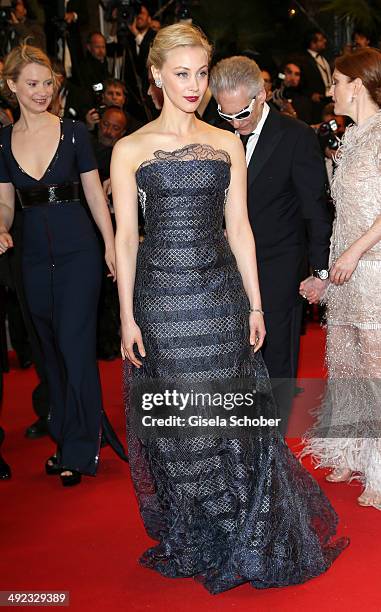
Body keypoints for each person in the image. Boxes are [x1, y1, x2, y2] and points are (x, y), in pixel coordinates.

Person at [111, 22, 347, 594]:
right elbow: (124, 238)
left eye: (200, 74)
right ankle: (198, 532)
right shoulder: (130, 148)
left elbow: (240, 229)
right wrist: (126, 315)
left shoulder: (224, 143)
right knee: (181, 423)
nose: (194, 86)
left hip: (220, 296)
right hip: (162, 298)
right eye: (182, 74)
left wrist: (257, 306)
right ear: (157, 76)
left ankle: (244, 532)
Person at [0, 44, 116, 486]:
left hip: (78, 253)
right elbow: (5, 203)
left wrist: (109, 244)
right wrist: (2, 227)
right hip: (31, 257)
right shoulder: (3, 141)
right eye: (31, 84)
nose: (42, 91)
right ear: (12, 86)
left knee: (74, 346)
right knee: (48, 354)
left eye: (47, 83)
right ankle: (69, 434)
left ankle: (79, 449)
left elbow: (93, 195)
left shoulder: (72, 134)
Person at [210, 56, 331, 432]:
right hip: (223, 265)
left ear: (261, 96)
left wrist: (321, 269)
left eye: (242, 113)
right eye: (225, 113)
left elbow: (315, 207)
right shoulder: (214, 131)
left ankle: (273, 442)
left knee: (276, 358)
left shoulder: (294, 136)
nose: (234, 122)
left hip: (278, 264)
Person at [300, 47, 381, 512]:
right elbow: (342, 217)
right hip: (348, 273)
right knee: (346, 368)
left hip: (373, 271)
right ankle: (351, 451)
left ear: (357, 83)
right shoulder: (350, 137)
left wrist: (351, 255)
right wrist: (327, 278)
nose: (329, 88)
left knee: (373, 370)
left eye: (335, 80)